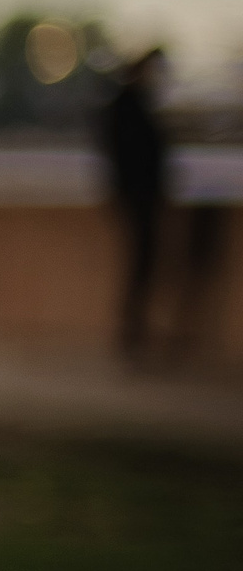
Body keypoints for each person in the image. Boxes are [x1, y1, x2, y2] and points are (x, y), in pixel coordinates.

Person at [100, 47, 170, 360]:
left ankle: (134, 335)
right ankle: (133, 336)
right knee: (141, 267)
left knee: (143, 267)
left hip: (138, 198)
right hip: (138, 199)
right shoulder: (129, 107)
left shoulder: (128, 105)